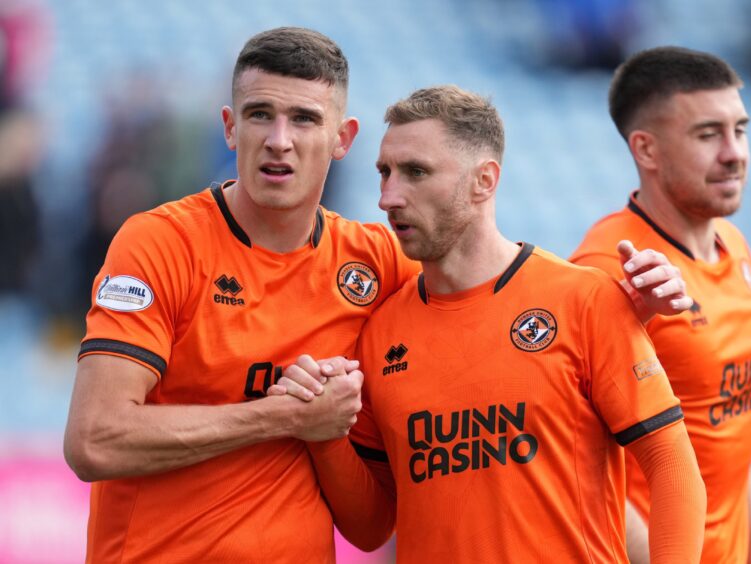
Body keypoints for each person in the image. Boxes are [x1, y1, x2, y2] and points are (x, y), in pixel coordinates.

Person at [63, 27, 694, 561]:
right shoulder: (159, 244)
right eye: (260, 115)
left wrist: (625, 307)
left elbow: (493, 295)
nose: (279, 139)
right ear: (230, 128)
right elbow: (95, 440)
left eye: (304, 118)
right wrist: (286, 417)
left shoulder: (379, 263)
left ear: (342, 139)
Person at [322, 85, 706, 562]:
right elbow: (370, 527)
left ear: (484, 180)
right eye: (385, 173)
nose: (388, 197)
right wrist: (324, 437)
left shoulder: (584, 299)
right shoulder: (378, 335)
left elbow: (671, 465)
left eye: (415, 172)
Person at [569, 46, 751, 563]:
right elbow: (576, 463)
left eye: (741, 130)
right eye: (708, 135)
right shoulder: (609, 270)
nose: (735, 152)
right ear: (647, 149)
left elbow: (726, 438)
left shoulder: (733, 244)